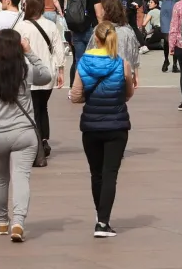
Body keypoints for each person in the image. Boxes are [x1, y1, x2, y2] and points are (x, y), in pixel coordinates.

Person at [0, 27, 52, 241]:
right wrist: (29, 51)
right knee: (21, 177)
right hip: (24, 134)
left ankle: (2, 221)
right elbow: (46, 75)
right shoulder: (25, 71)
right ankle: (18, 222)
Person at [71, 20, 132, 238]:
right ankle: (103, 222)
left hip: (91, 125)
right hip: (117, 125)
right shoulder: (122, 64)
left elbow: (76, 95)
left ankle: (100, 217)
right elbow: (128, 93)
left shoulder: (84, 62)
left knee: (96, 173)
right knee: (110, 174)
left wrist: (88, 98)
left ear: (95, 38)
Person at [20, 0, 67, 164]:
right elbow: (59, 49)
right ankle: (44, 139)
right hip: (48, 72)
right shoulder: (51, 25)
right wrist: (61, 70)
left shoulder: (22, 26)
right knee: (42, 107)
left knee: (32, 110)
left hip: (29, 74)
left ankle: (37, 142)